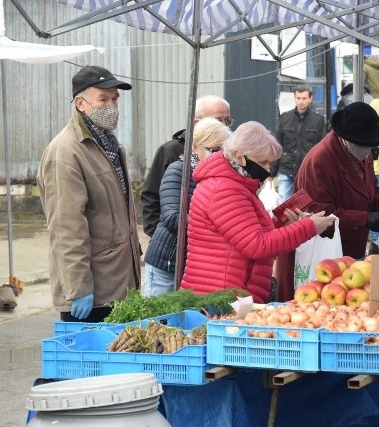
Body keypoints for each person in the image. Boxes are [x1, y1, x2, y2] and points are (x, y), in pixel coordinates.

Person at [180, 121, 335, 304]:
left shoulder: (235, 185)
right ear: (239, 156)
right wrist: (308, 227)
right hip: (222, 298)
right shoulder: (224, 190)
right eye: (263, 162)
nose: (268, 170)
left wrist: (280, 223)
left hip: (227, 294)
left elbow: (245, 233)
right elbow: (256, 245)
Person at [36, 65, 141, 322]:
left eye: (114, 99)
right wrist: (79, 287)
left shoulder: (110, 145)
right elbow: (66, 227)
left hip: (119, 282)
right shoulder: (66, 152)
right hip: (93, 292)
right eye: (103, 99)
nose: (111, 105)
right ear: (80, 104)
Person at [274, 102, 379, 300]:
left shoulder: (360, 153)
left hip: (346, 254)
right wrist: (364, 218)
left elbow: (371, 188)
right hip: (317, 253)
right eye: (364, 144)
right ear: (347, 140)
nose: (369, 150)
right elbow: (320, 214)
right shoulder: (320, 160)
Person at [143, 118, 231, 296]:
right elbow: (171, 217)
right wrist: (216, 224)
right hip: (167, 261)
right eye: (211, 150)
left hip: (194, 265)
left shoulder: (220, 177)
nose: (217, 156)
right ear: (195, 146)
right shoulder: (178, 171)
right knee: (158, 320)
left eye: (221, 150)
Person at [141, 95, 232, 237]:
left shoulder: (229, 152)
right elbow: (151, 195)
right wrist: (157, 233)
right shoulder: (171, 150)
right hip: (175, 239)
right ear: (196, 122)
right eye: (219, 120)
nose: (224, 126)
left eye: (228, 121)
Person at [271, 86, 326, 204]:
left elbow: (322, 149)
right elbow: (278, 146)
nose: (301, 101)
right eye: (298, 98)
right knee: (283, 206)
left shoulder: (318, 121)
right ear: (294, 98)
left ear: (310, 99)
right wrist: (271, 172)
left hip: (307, 171)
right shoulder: (285, 118)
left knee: (304, 206)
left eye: (304, 98)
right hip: (287, 168)